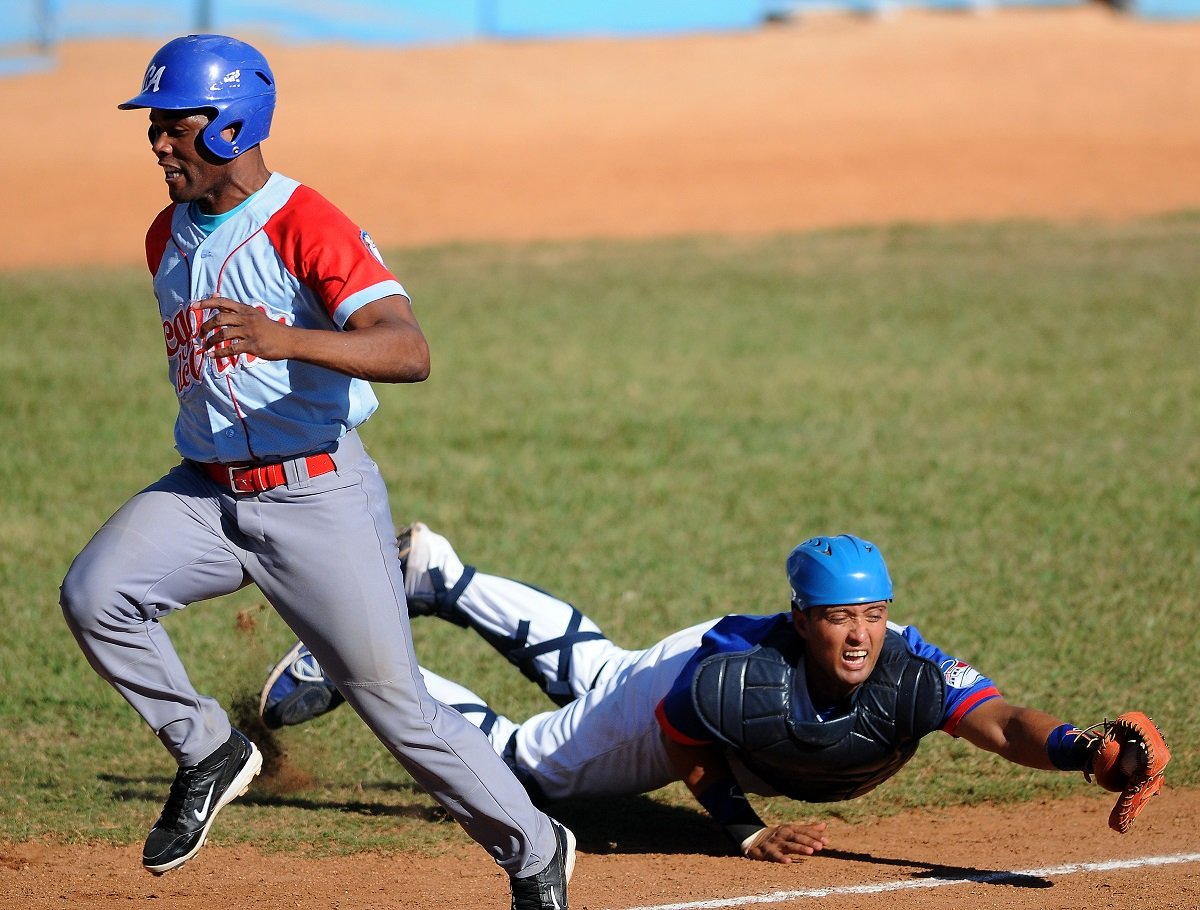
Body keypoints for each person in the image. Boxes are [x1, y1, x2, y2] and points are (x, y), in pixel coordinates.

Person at [58, 35, 574, 909]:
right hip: (207, 495)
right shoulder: (166, 234)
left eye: (171, 124)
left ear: (230, 123)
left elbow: (409, 350)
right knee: (95, 592)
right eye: (151, 126)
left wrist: (285, 338)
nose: (156, 143)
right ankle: (210, 748)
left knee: (397, 711)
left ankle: (534, 851)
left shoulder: (306, 222)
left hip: (316, 499)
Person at [262, 523, 1149, 864]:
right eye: (840, 618)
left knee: (604, 672)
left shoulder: (908, 668)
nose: (859, 636)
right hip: (684, 692)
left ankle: (441, 575)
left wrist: (1085, 751)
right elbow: (682, 731)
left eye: (875, 616)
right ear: (803, 619)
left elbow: (1000, 721)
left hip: (681, 669)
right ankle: (351, 662)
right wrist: (744, 827)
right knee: (536, 771)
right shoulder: (744, 685)